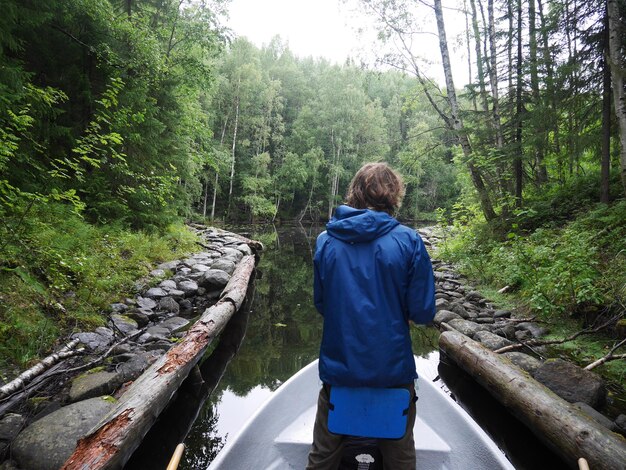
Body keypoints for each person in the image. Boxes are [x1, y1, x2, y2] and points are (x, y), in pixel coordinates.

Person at [307, 162, 436, 470]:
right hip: (392, 371)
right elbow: (422, 311)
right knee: (400, 459)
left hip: (341, 371)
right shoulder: (408, 241)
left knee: (322, 458)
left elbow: (322, 304)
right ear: (394, 195)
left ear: (355, 193)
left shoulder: (326, 241)